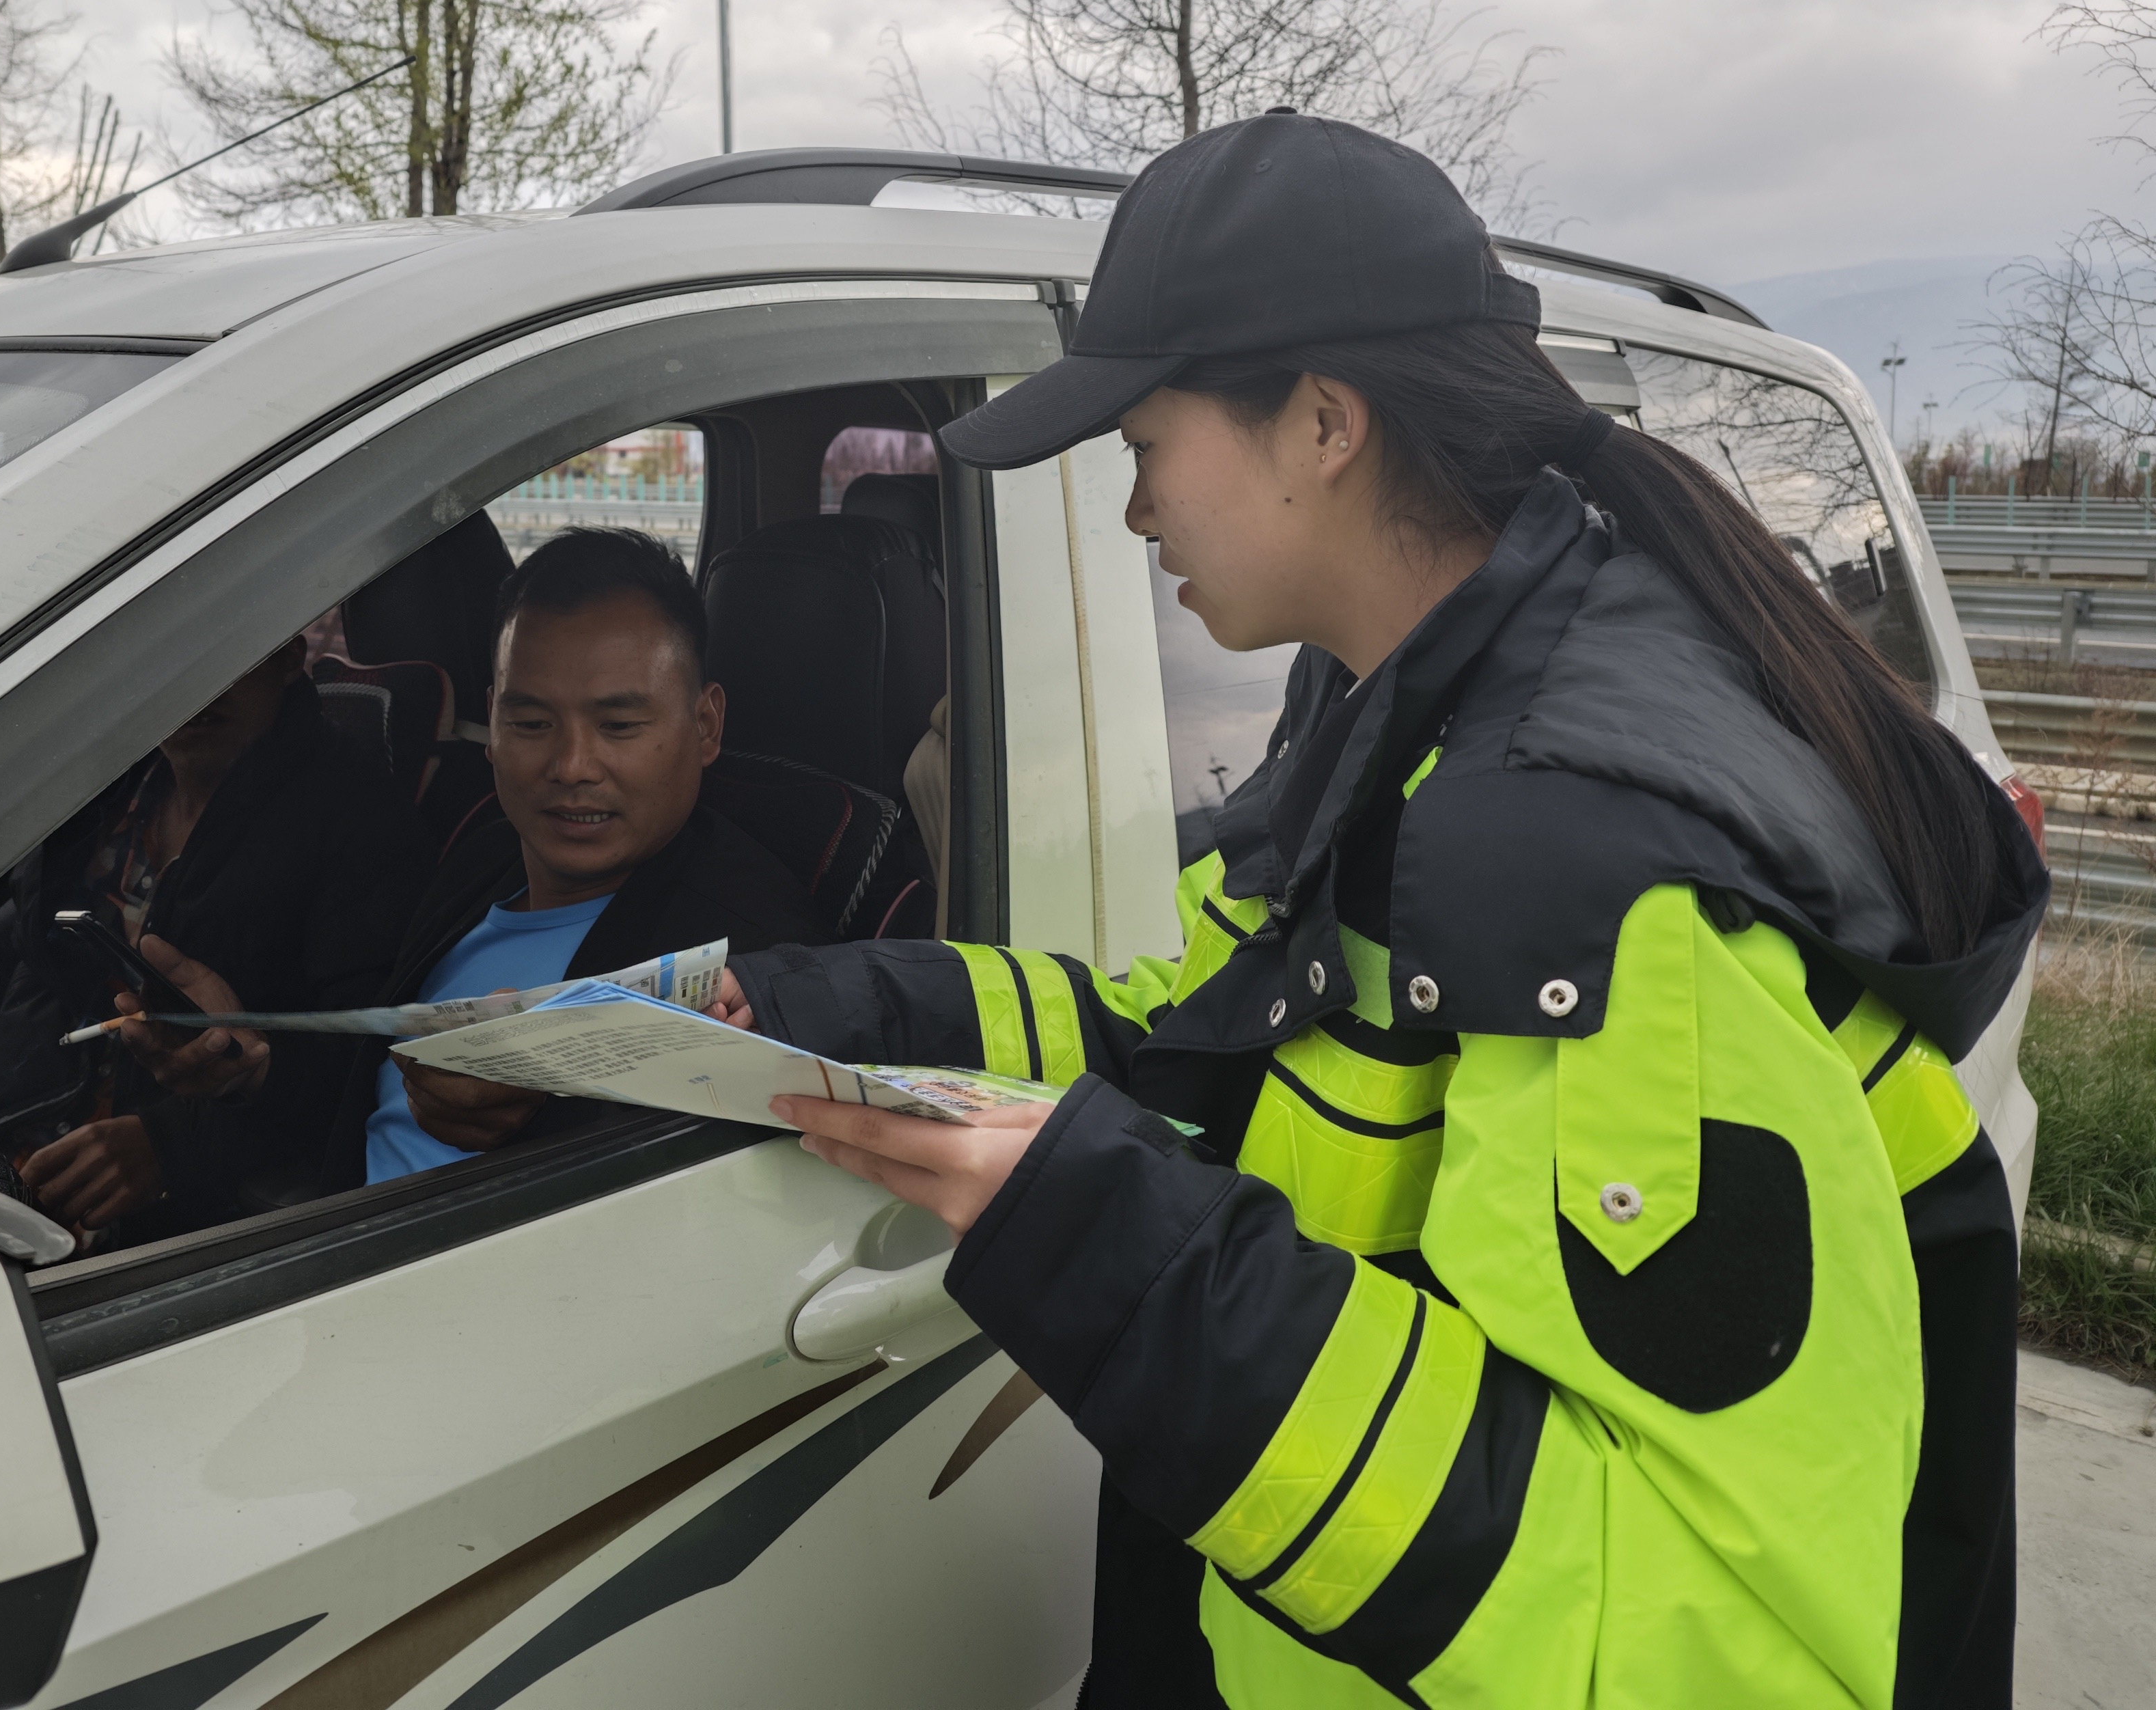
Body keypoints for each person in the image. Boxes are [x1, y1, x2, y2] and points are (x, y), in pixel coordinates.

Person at [718, 113, 2045, 1708]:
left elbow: (1704, 1633)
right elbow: (1202, 1030)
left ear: (1323, 422)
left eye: (1144, 445)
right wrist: (832, 1005)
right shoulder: (1394, 715)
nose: (1132, 511)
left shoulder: (1583, 864)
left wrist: (1121, 1256)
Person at [136, 527, 823, 1190]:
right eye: (531, 723)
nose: (571, 765)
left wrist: (535, 1119)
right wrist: (250, 1065)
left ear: (704, 724)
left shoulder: (739, 956)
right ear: (492, 723)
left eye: (618, 725)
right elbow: (370, 1099)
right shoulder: (484, 856)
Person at [0, 636, 433, 1233]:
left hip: (154, 1218)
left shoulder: (358, 823)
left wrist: (172, 1145)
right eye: (162, 654)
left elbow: (371, 1057)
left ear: (286, 658)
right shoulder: (113, 785)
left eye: (223, 651)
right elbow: (16, 943)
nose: (194, 685)